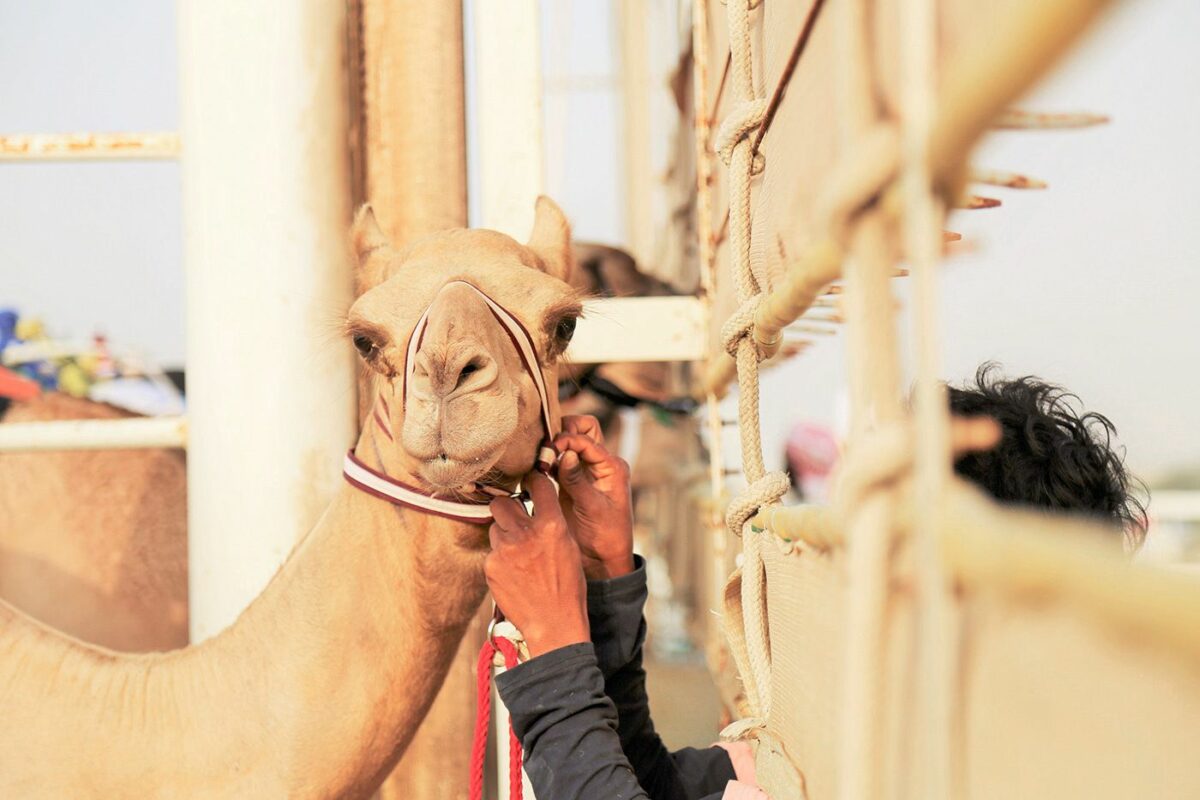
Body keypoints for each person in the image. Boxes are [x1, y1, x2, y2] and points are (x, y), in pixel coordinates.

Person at [484, 366, 1146, 800]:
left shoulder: (981, 767)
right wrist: (603, 584)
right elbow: (656, 786)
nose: (825, 553)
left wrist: (557, 651)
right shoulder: (856, 731)